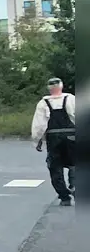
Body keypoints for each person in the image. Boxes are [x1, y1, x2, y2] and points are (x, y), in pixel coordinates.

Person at [30, 77, 76, 206]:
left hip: (53, 137)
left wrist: (37, 140)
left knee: (55, 167)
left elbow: (39, 125)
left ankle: (64, 197)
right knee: (75, 163)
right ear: (62, 86)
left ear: (49, 88)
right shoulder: (71, 99)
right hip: (72, 135)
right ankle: (75, 185)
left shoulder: (43, 103)